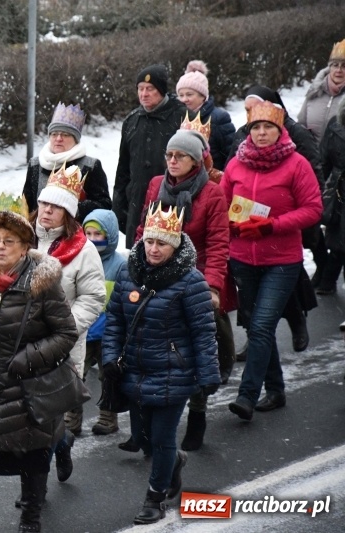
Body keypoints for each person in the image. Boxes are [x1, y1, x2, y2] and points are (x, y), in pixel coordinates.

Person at [0, 197, 79, 533]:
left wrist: (29, 357)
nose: (1, 247)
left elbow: (66, 333)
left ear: (25, 247)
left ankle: (30, 522)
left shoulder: (43, 284)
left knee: (32, 461)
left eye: (9, 241)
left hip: (29, 390)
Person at [103, 203, 220, 525]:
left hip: (174, 372)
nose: (154, 249)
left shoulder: (191, 282)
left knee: (161, 438)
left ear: (176, 245)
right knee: (143, 438)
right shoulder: (128, 272)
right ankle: (173, 463)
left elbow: (203, 332)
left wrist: (208, 374)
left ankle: (154, 498)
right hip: (135, 371)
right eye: (150, 242)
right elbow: (115, 320)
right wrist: (110, 357)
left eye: (162, 244)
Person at [133, 130, 233, 452]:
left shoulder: (212, 193)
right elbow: (143, 229)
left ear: (195, 161)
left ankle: (198, 412)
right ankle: (147, 422)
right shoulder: (155, 185)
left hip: (195, 276)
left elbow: (218, 244)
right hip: (157, 273)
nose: (172, 161)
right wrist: (136, 266)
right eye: (169, 155)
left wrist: (212, 287)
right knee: (153, 348)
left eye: (180, 156)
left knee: (195, 348)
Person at [222, 101, 322, 420]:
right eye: (256, 127)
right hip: (242, 258)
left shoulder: (296, 164)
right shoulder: (235, 165)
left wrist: (271, 225)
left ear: (280, 131)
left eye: (268, 127)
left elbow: (313, 209)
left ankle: (247, 395)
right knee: (257, 328)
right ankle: (276, 389)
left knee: (262, 325)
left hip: (282, 260)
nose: (262, 133)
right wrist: (230, 225)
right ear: (249, 131)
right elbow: (222, 205)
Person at [32, 165, 105, 482]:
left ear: (69, 213)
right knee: (28, 415)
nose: (47, 211)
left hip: (61, 347)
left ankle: (34, 488)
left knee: (47, 415)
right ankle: (62, 443)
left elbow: (93, 298)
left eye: (56, 206)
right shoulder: (22, 238)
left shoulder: (84, 250)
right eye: (44, 203)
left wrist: (62, 330)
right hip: (22, 343)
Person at [112, 64, 186, 248]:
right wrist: (119, 208)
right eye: (140, 88)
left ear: (161, 90)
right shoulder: (132, 121)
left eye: (150, 89)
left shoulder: (183, 117)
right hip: (136, 205)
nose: (144, 94)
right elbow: (123, 170)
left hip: (170, 204)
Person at [21, 102, 112, 221]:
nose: (58, 139)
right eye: (54, 134)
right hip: (39, 230)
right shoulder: (35, 164)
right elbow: (26, 204)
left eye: (65, 134)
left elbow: (104, 205)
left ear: (75, 139)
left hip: (76, 230)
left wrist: (73, 208)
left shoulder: (90, 165)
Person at [82, 209, 127, 435]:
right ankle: (71, 418)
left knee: (108, 375)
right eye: (87, 233)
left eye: (97, 234)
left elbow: (123, 298)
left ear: (110, 235)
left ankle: (108, 418)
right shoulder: (81, 259)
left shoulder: (119, 265)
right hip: (84, 329)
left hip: (108, 332)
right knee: (76, 373)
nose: (92, 239)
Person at [175, 60, 235, 171]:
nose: (184, 99)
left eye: (189, 94)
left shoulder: (219, 118)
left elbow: (231, 154)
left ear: (203, 96)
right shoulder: (176, 117)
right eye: (181, 95)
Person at [318, 99, 345, 294]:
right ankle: (328, 280)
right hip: (339, 190)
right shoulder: (335, 124)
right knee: (338, 241)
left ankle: (327, 280)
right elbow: (324, 160)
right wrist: (318, 190)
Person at [298, 38, 345, 142]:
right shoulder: (315, 92)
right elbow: (301, 125)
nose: (339, 70)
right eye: (335, 65)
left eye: (344, 66)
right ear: (329, 68)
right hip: (311, 151)